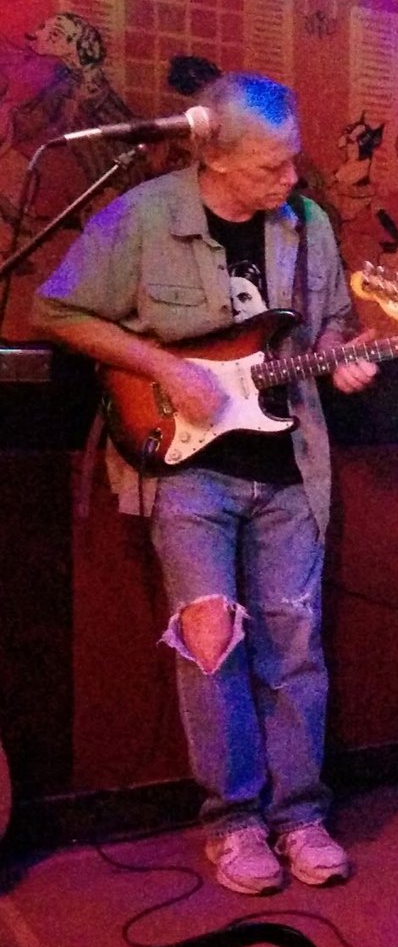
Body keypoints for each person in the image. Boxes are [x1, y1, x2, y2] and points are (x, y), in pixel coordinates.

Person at [34, 72, 377, 894]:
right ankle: (233, 823)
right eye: (270, 166)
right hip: (187, 470)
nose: (289, 178)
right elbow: (56, 311)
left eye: (293, 160)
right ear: (212, 159)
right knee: (211, 646)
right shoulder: (144, 215)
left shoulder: (307, 224)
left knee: (295, 647)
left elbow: (330, 327)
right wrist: (161, 366)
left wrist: (345, 359)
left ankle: (301, 816)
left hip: (289, 471)